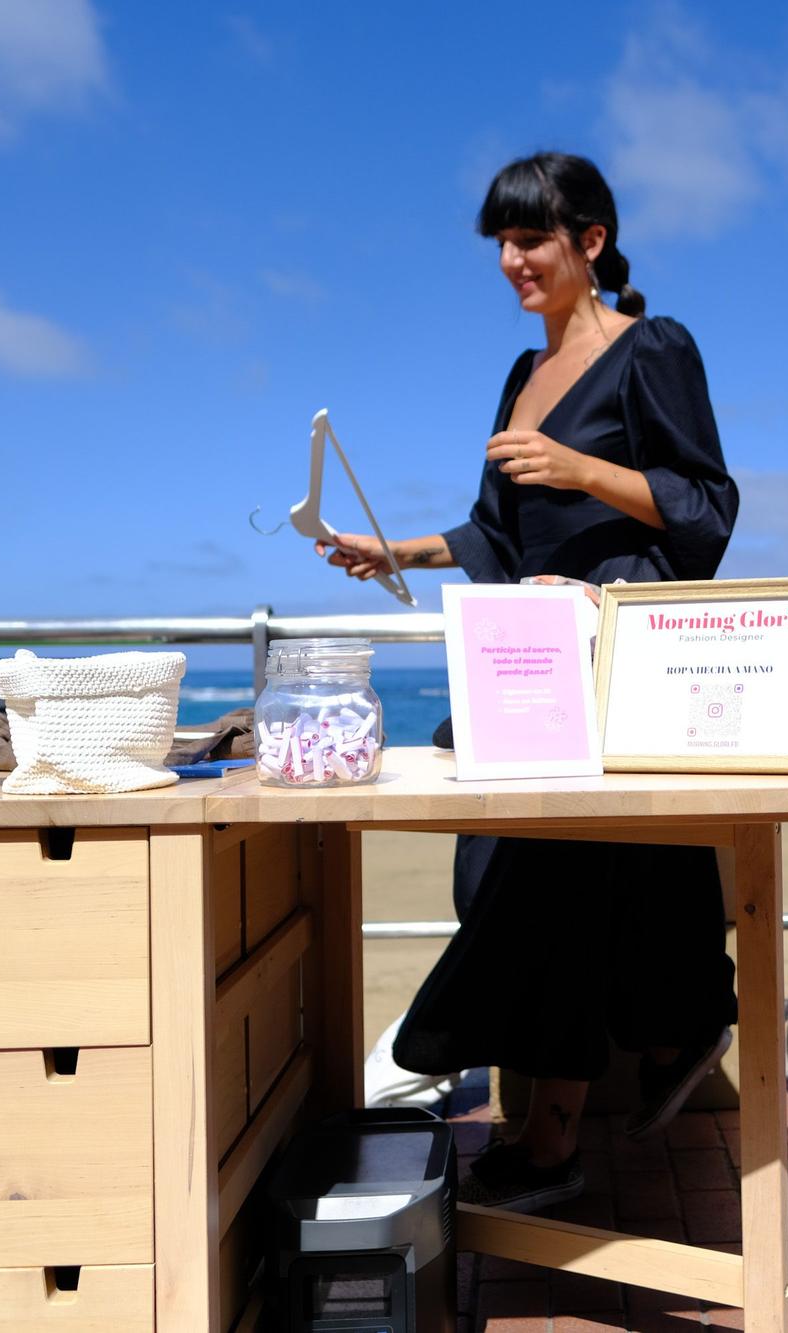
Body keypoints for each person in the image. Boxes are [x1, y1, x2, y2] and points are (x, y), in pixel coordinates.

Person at [320, 152, 740, 1213]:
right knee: (493, 875)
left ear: (589, 243)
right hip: (530, 656)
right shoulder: (522, 372)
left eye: (531, 241)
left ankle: (535, 1125)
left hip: (613, 661)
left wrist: (584, 469)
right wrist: (391, 552)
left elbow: (706, 510)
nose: (511, 261)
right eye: (500, 244)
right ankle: (647, 1039)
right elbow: (495, 529)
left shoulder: (655, 347)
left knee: (548, 875)